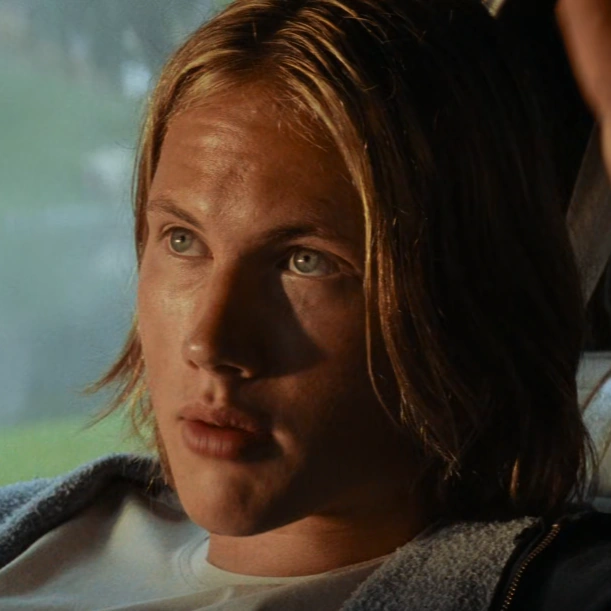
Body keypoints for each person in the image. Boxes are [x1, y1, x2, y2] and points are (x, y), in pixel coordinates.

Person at [1, 0, 611, 609]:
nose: (210, 344)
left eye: (305, 262)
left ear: (467, 295)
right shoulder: (37, 532)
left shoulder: (561, 591)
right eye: (183, 240)